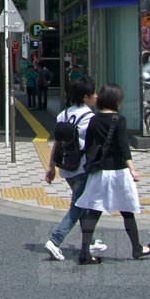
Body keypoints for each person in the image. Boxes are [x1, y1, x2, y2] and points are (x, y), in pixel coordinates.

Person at [75, 82, 150, 264]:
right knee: (127, 211)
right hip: (118, 172)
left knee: (94, 211)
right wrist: (133, 170)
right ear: (116, 100)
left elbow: (88, 146)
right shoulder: (119, 120)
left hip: (99, 173)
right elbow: (123, 147)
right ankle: (136, 248)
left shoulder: (94, 119)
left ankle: (84, 251)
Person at [44, 76, 107, 261]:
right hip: (81, 167)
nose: (96, 96)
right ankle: (55, 241)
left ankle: (91, 240)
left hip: (66, 166)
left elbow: (57, 143)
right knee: (78, 206)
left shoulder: (62, 115)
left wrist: (51, 166)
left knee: (82, 204)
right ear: (86, 97)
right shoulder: (89, 118)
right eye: (93, 93)